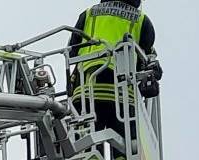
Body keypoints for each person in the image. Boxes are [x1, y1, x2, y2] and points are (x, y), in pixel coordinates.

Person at [67, 1, 160, 151]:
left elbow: (72, 51)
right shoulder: (142, 20)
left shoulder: (89, 14)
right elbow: (149, 62)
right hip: (122, 92)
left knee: (87, 147)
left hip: (87, 88)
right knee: (128, 149)